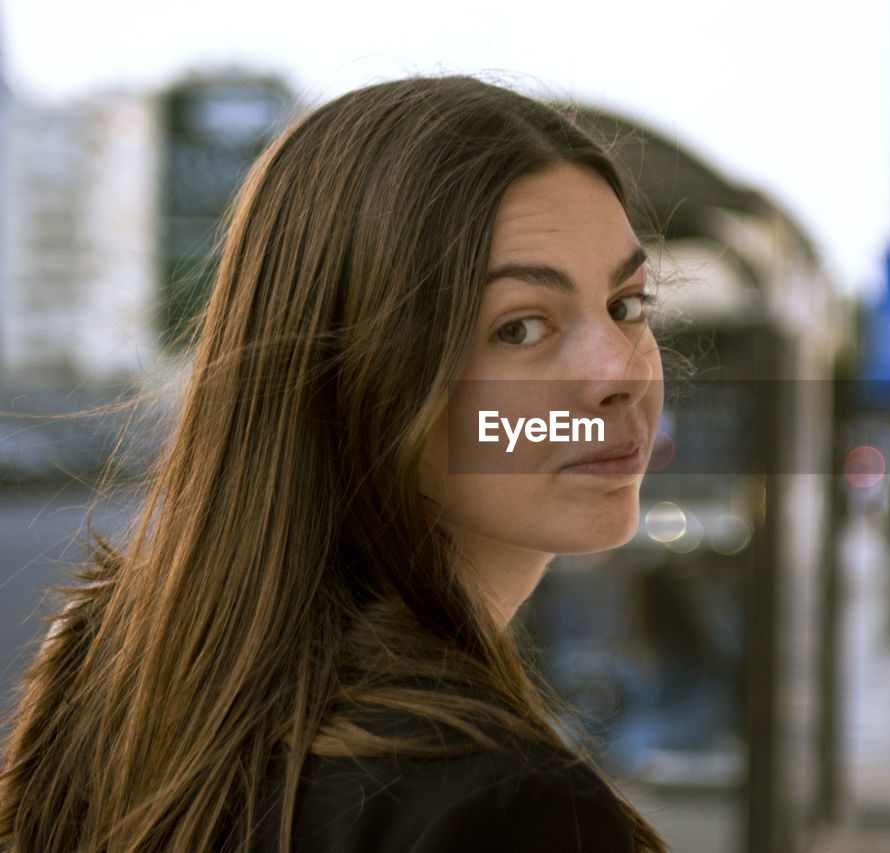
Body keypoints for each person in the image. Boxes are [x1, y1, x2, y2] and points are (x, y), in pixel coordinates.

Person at [0, 76, 667, 852]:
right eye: (519, 327)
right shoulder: (506, 809)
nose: (620, 370)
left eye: (627, 305)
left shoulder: (108, 675)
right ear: (353, 377)